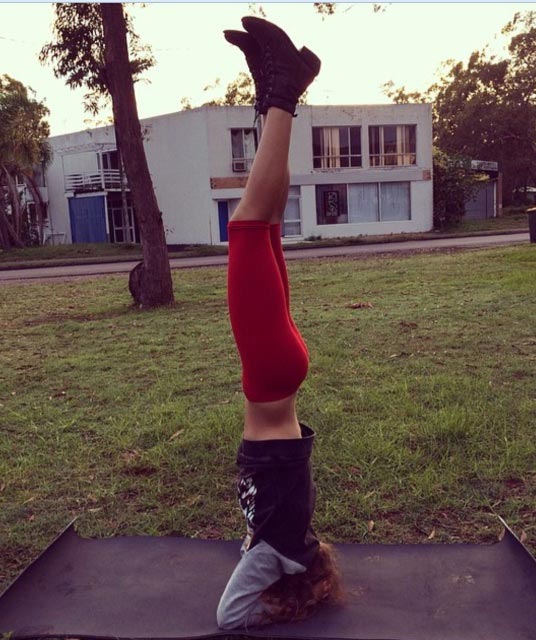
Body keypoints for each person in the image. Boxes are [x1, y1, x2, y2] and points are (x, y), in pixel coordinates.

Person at [217, 16, 343, 630]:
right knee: (246, 224)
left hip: (281, 370)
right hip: (268, 375)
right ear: (281, 584)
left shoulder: (285, 541)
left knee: (261, 221)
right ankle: (282, 92)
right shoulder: (278, 548)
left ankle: (273, 89)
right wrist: (277, 589)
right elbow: (229, 616)